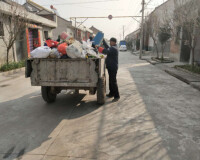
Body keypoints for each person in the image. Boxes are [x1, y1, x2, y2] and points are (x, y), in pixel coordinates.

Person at [96, 38, 120, 102]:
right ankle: (111, 93)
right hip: (111, 67)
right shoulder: (113, 47)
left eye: (111, 42)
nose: (110, 43)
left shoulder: (114, 48)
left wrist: (98, 48)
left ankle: (117, 96)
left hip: (113, 67)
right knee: (111, 81)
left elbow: (106, 51)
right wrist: (103, 41)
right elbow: (108, 47)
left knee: (113, 81)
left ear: (114, 42)